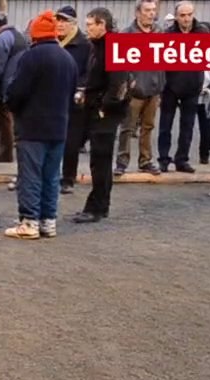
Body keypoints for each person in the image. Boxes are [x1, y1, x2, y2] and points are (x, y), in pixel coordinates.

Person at [3, 11, 77, 239]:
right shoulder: (67, 58)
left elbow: (17, 91)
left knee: (31, 175)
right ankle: (48, 221)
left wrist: (11, 105)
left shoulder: (31, 57)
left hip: (33, 127)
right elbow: (72, 92)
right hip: (59, 127)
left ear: (35, 34)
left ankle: (29, 221)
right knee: (51, 176)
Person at [73, 7, 130, 223]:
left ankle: (97, 207)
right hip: (97, 108)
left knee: (101, 161)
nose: (87, 28)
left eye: (90, 24)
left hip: (106, 112)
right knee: (99, 160)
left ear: (102, 25)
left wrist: (103, 106)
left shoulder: (113, 47)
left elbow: (118, 85)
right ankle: (98, 205)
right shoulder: (97, 46)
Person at [156, 2, 207, 173]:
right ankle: (163, 159)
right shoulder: (168, 34)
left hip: (192, 86)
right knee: (165, 125)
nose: (186, 19)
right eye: (182, 15)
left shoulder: (203, 33)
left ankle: (182, 159)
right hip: (170, 86)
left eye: (189, 15)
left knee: (187, 126)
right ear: (176, 16)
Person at [116, 0, 164, 175]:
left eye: (153, 10)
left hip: (154, 89)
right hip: (134, 92)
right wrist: (128, 83)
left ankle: (145, 161)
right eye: (147, 10)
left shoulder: (160, 33)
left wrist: (161, 84)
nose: (151, 14)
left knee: (148, 127)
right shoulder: (126, 34)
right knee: (127, 127)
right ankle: (122, 162)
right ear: (138, 13)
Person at [56, 6, 90, 193]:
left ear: (73, 24)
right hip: (53, 98)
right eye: (58, 21)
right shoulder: (52, 42)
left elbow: (88, 71)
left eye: (64, 21)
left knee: (72, 142)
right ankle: (51, 175)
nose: (60, 25)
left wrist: (79, 88)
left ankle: (68, 178)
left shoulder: (84, 44)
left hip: (75, 99)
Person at [0, 12, 27, 164]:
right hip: (18, 84)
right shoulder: (20, 36)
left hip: (4, 87)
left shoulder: (2, 39)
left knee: (3, 123)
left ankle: (5, 156)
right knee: (12, 122)